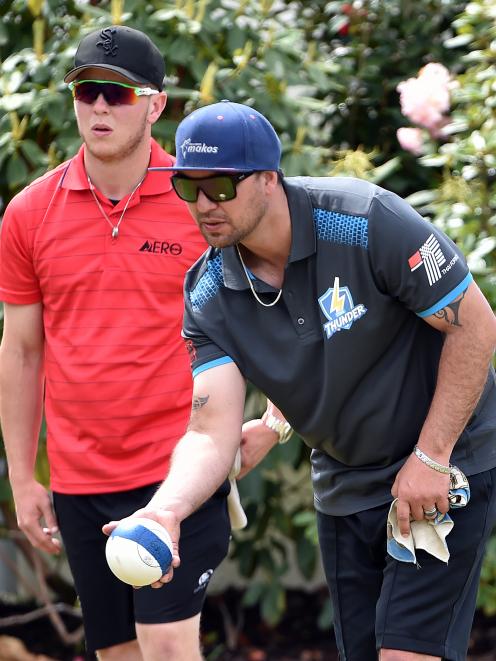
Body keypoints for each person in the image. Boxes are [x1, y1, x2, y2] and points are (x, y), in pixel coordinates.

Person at [105, 100, 496, 661]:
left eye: (220, 186)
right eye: (188, 188)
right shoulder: (208, 296)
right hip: (345, 486)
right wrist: (164, 511)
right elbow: (211, 430)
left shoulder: (364, 220)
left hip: (444, 463)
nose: (204, 205)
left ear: (268, 177)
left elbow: (476, 328)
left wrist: (431, 456)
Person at [0, 32, 279, 661]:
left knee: (168, 648)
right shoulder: (29, 213)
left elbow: (279, 309)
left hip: (179, 466)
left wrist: (275, 422)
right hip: (80, 480)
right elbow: (20, 350)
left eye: (118, 93)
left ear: (154, 106)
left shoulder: (201, 201)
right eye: (87, 91)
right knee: (119, 654)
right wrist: (23, 476)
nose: (100, 107)